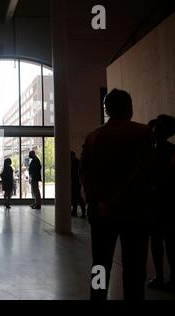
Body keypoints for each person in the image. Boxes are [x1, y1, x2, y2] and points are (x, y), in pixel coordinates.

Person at [80, 89, 155, 300]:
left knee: (100, 264)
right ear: (129, 108)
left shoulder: (93, 136)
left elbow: (84, 174)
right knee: (134, 268)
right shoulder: (142, 133)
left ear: (106, 109)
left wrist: (100, 201)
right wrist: (116, 200)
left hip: (101, 213)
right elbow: (142, 172)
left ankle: (97, 296)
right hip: (135, 212)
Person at [147, 115, 175, 291]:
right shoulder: (170, 151)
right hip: (165, 203)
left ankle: (162, 276)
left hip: (161, 202)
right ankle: (168, 277)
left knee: (160, 242)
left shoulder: (152, 152)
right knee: (165, 242)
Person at [71, 151, 86, 218]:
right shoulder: (75, 162)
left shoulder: (76, 162)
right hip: (75, 182)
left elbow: (77, 172)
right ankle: (75, 211)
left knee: (77, 197)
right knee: (74, 197)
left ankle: (82, 211)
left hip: (76, 182)